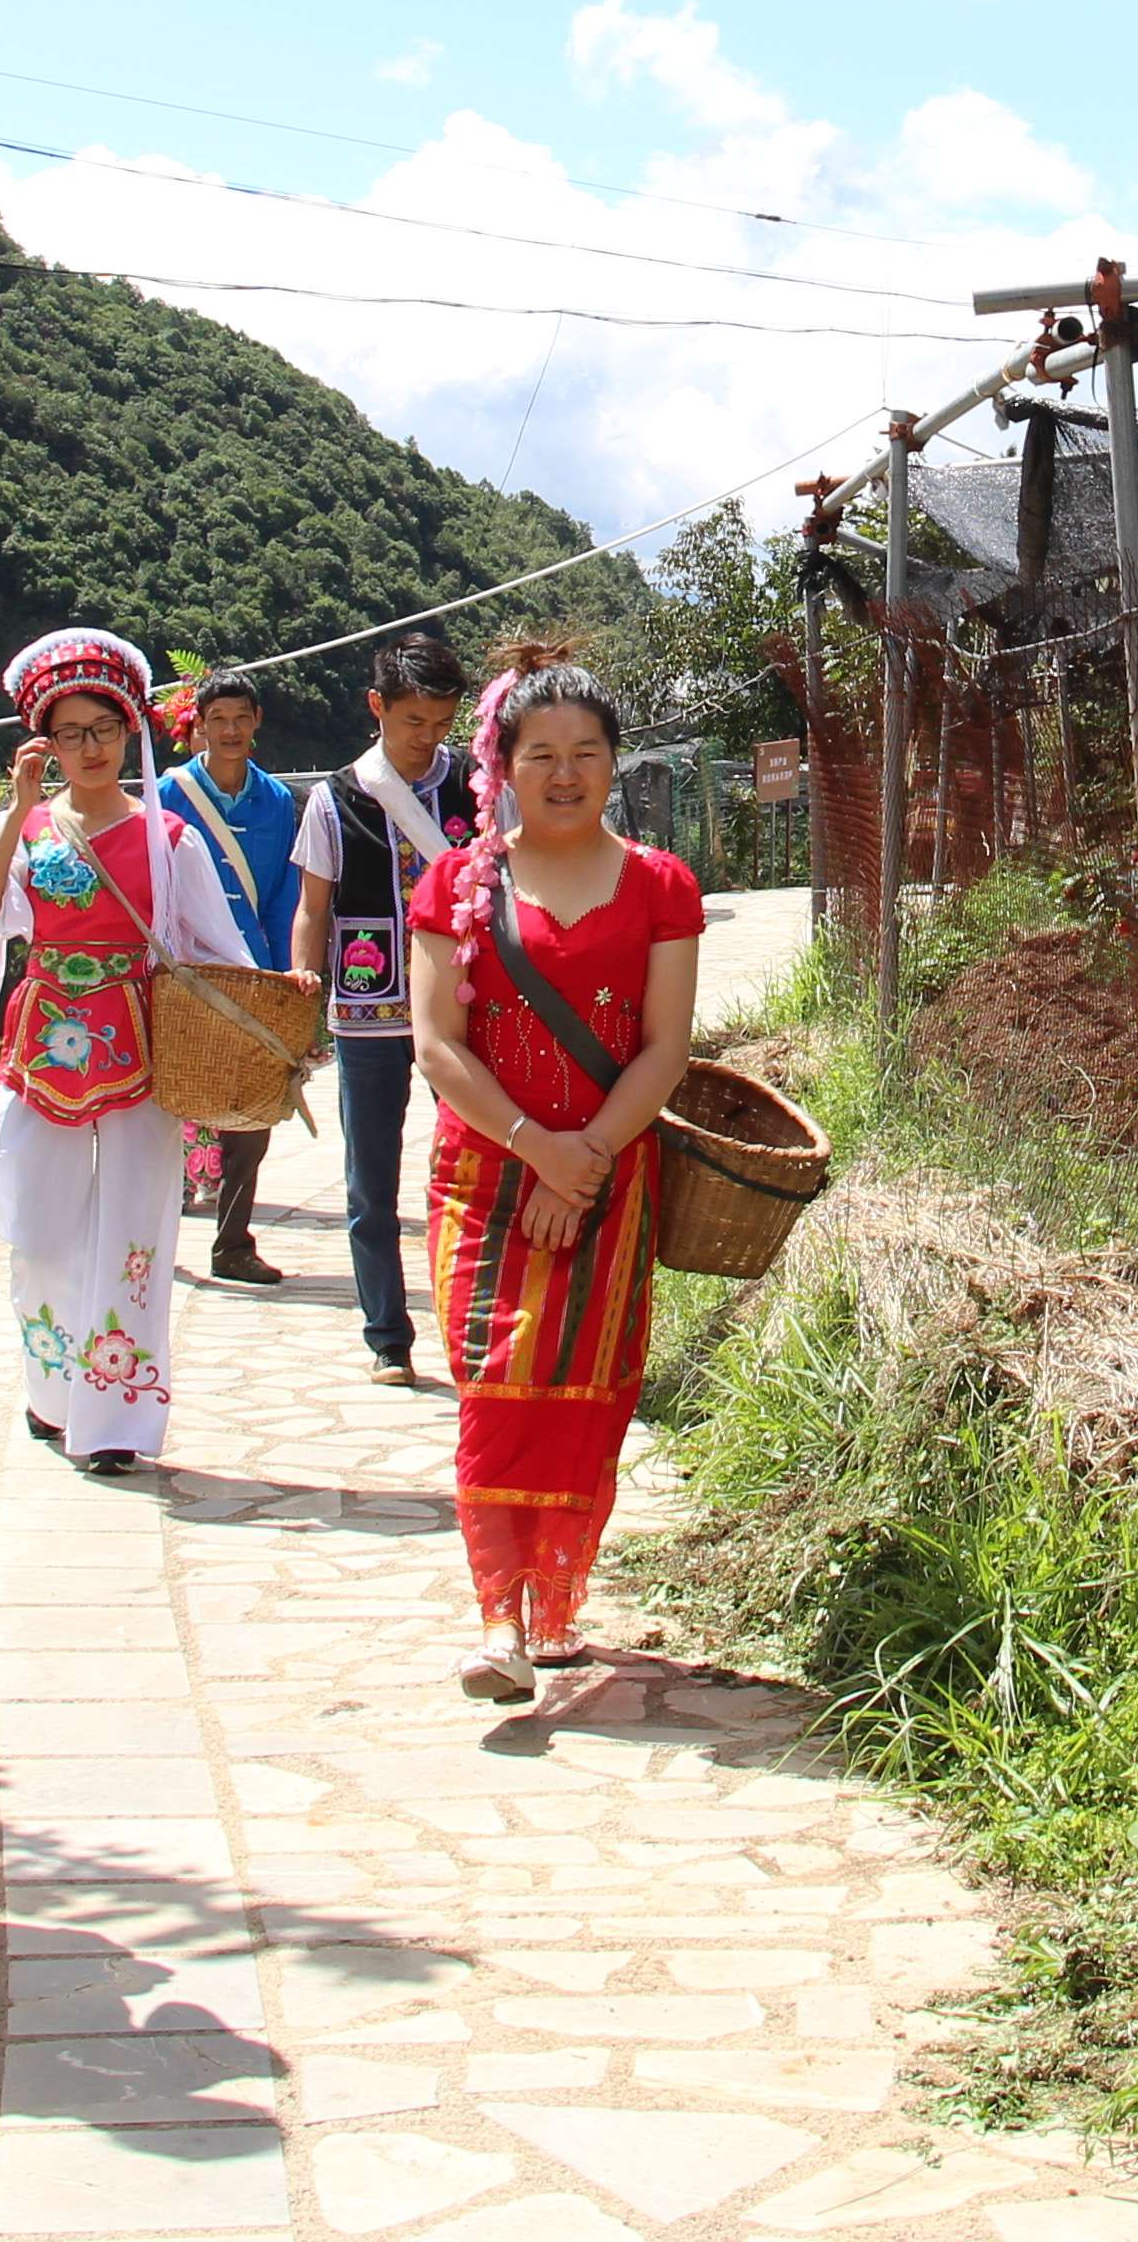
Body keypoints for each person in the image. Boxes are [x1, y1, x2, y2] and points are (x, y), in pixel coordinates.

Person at [411, 645, 702, 1701]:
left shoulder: (661, 885)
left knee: (586, 1391)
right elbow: (438, 1045)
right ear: (504, 764)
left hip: (613, 1175)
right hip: (481, 1180)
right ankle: (499, 1620)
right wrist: (538, 1150)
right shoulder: (455, 883)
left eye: (587, 752)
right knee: (495, 1379)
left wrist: (584, 1163)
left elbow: (665, 1047)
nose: (566, 772)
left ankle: (557, 1603)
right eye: (542, 754)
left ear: (615, 763)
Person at [0, 625, 247, 1476]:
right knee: (38, 1226)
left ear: (131, 735)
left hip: (141, 1049)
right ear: (41, 742)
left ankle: (115, 1417)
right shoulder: (30, 830)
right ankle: (51, 1394)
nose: (88, 748)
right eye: (69, 732)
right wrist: (13, 810)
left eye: (103, 730)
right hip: (43, 1041)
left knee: (134, 1231)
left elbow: (216, 952)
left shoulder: (170, 839)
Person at [287, 632, 472, 1386]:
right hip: (367, 1017)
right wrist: (305, 969)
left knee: (469, 1167)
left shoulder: (476, 787)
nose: (427, 740)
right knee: (372, 1181)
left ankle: (470, 1322)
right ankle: (388, 1337)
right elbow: (313, 906)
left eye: (440, 725)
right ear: (378, 708)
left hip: (458, 1007)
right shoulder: (334, 800)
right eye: (412, 723)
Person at [159, 668, 308, 1287]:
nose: (229, 730)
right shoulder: (167, 793)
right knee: (161, 1107)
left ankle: (232, 1243)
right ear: (198, 724)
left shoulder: (275, 800)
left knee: (250, 1107)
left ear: (256, 724)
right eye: (217, 719)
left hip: (250, 972)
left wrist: (281, 968)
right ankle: (150, 1241)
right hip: (181, 974)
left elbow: (283, 891)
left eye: (239, 718)